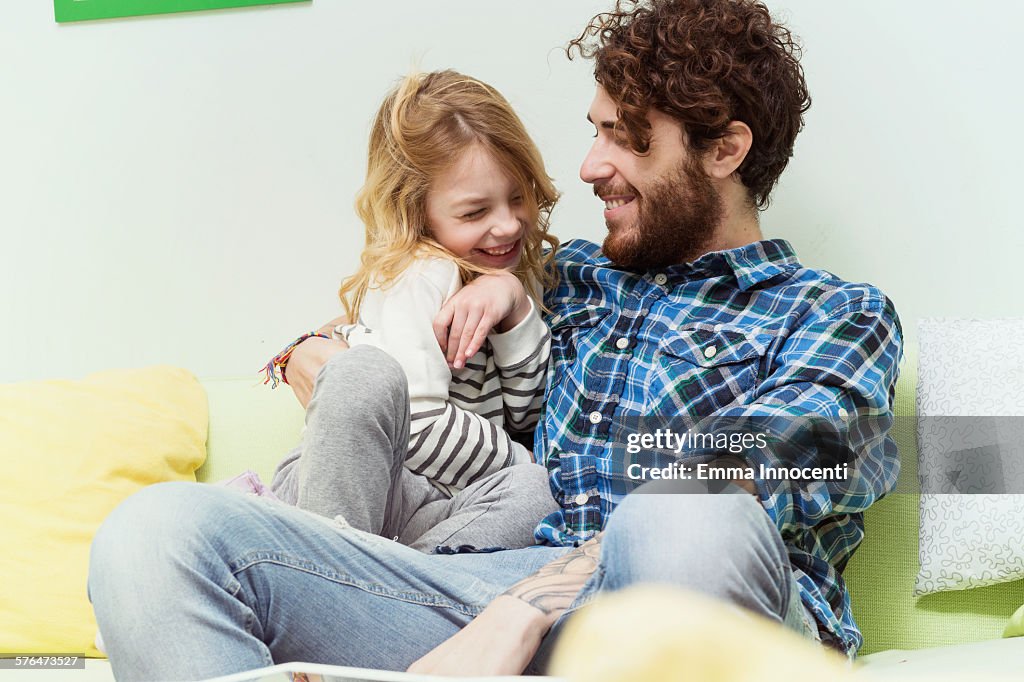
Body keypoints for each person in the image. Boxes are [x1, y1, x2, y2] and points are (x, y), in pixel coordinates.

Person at [87, 1, 903, 679]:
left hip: (691, 610)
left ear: (724, 150)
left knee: (687, 516)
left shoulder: (835, 313)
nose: (588, 166)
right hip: (486, 590)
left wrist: (531, 603)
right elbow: (393, 323)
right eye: (596, 130)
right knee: (154, 535)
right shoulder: (565, 279)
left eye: (628, 138)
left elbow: (778, 466)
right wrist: (317, 348)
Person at [248, 70, 561, 551]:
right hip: (355, 484)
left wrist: (515, 308)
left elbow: (529, 412)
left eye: (517, 198)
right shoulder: (421, 273)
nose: (506, 224)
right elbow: (418, 421)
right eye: (474, 212)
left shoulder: (511, 272)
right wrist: (523, 462)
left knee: (536, 499)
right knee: (536, 481)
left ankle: (387, 591)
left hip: (429, 503)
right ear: (417, 211)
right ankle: (330, 570)